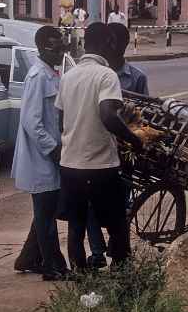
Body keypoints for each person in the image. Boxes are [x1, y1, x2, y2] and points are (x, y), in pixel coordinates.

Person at [56, 23, 143, 272]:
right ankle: (124, 277)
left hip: (70, 164)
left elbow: (60, 120)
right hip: (100, 165)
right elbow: (108, 114)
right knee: (116, 224)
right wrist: (133, 140)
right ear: (108, 44)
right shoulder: (107, 76)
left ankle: (81, 281)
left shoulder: (69, 76)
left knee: (76, 227)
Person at [12, 27, 70, 279]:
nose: (62, 52)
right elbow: (31, 122)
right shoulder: (38, 77)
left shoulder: (52, 74)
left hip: (50, 157)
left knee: (45, 214)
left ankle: (29, 258)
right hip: (41, 159)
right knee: (46, 217)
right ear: (44, 47)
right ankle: (53, 267)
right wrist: (54, 149)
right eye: (57, 48)